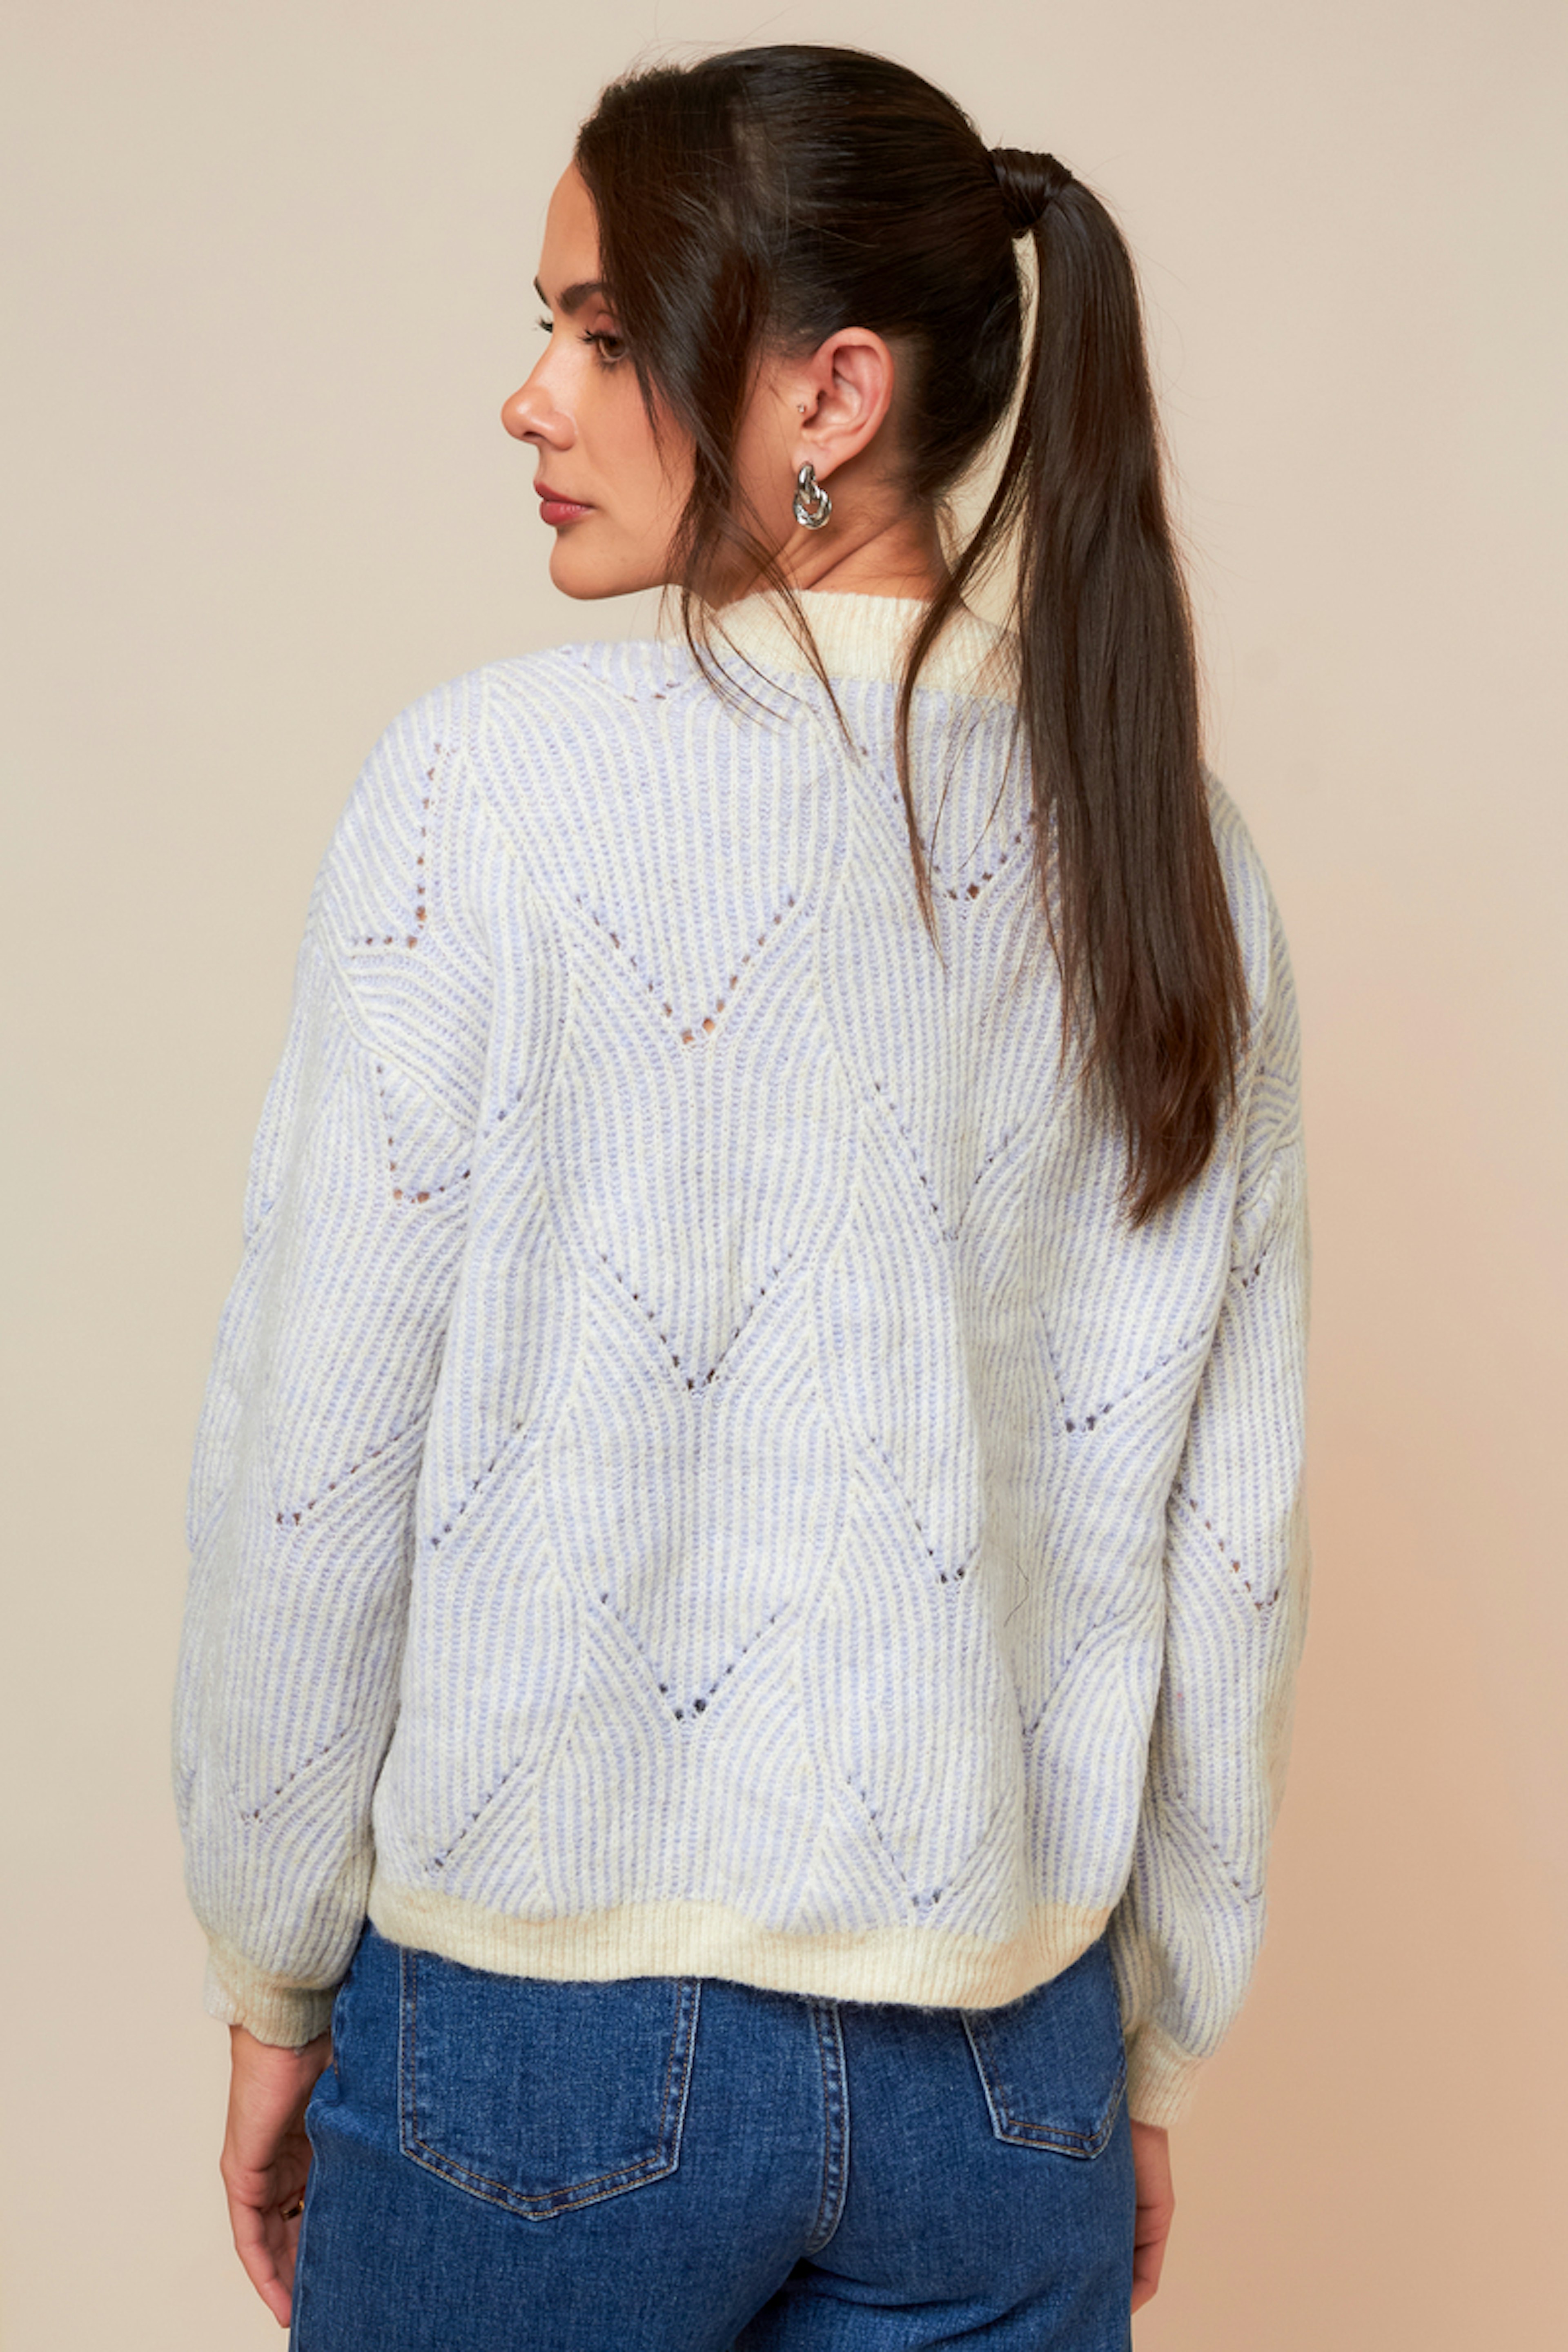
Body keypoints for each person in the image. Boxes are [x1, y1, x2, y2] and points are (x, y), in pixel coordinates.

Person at [172, 41, 1309, 2352]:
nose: (530, 397)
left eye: (605, 336)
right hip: (1005, 2074)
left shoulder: (482, 797)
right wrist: (1149, 2045)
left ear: (835, 392)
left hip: (534, 2044)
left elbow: (316, 1459)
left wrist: (272, 1968)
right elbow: (1232, 1533)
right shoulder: (1170, 848)